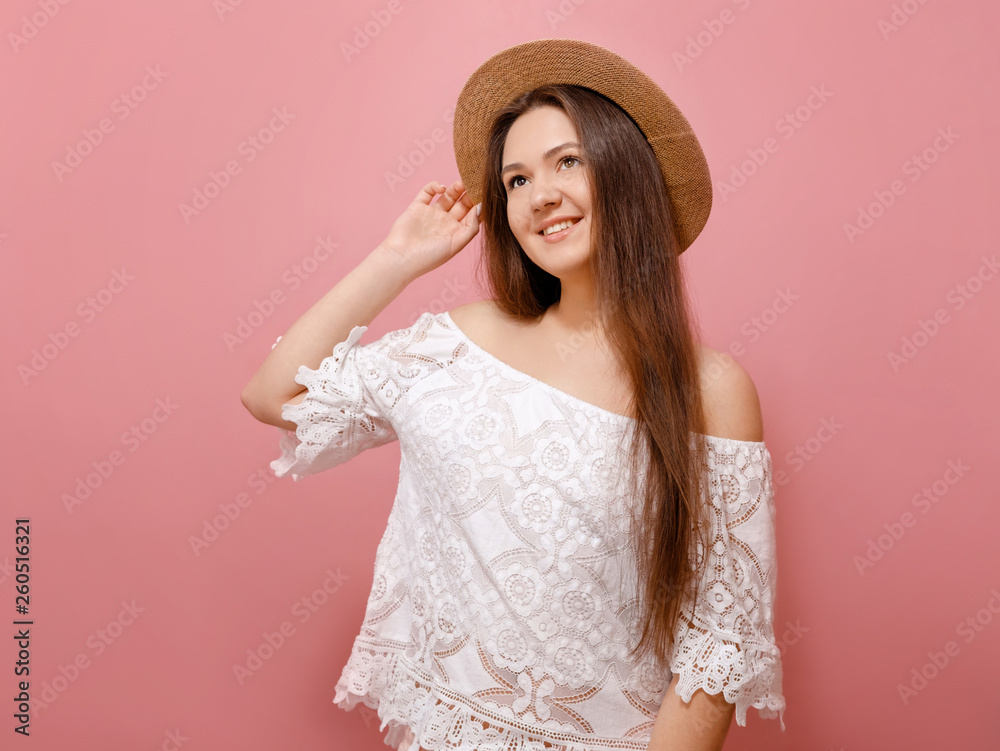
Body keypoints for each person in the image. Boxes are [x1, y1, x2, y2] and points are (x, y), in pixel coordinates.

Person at [241, 38, 785, 751]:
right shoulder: (455, 348)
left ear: (626, 173)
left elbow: (718, 644)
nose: (540, 195)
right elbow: (275, 394)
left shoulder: (711, 389)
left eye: (568, 162)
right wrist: (396, 259)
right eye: (517, 180)